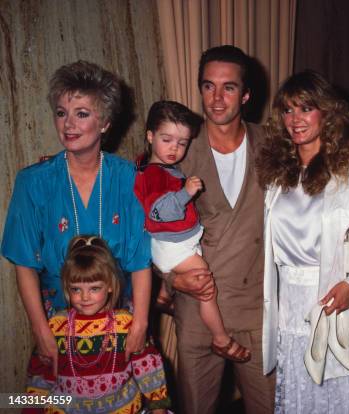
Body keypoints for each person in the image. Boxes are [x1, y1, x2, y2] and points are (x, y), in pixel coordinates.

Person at [2, 60, 152, 378]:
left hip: (120, 324)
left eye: (81, 113)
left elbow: (141, 261)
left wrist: (140, 323)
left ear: (105, 122)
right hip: (59, 325)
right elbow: (24, 264)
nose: (68, 124)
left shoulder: (130, 179)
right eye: (61, 112)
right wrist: (41, 330)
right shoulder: (33, 181)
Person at [257, 70, 349, 413]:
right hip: (291, 311)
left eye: (305, 108)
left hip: (339, 303)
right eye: (287, 110)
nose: (295, 120)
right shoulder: (278, 174)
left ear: (326, 112)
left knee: (344, 400)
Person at [159, 45, 276, 414]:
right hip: (197, 309)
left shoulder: (273, 144)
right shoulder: (179, 148)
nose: (217, 98)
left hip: (255, 309)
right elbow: (143, 217)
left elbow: (322, 172)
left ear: (245, 94)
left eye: (228, 88)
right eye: (208, 86)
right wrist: (169, 280)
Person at [134, 100, 250, 362]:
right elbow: (160, 211)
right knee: (206, 288)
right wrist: (185, 193)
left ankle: (164, 294)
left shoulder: (154, 167)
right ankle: (221, 339)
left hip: (179, 241)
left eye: (182, 143)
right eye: (167, 139)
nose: (175, 148)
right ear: (150, 136)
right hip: (173, 245)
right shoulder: (154, 175)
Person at [25, 236, 171, 413]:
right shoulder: (56, 326)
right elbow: (41, 374)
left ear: (110, 286)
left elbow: (148, 369)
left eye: (94, 288)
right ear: (66, 287)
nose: (85, 297)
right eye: (76, 289)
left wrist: (158, 407)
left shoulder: (125, 325)